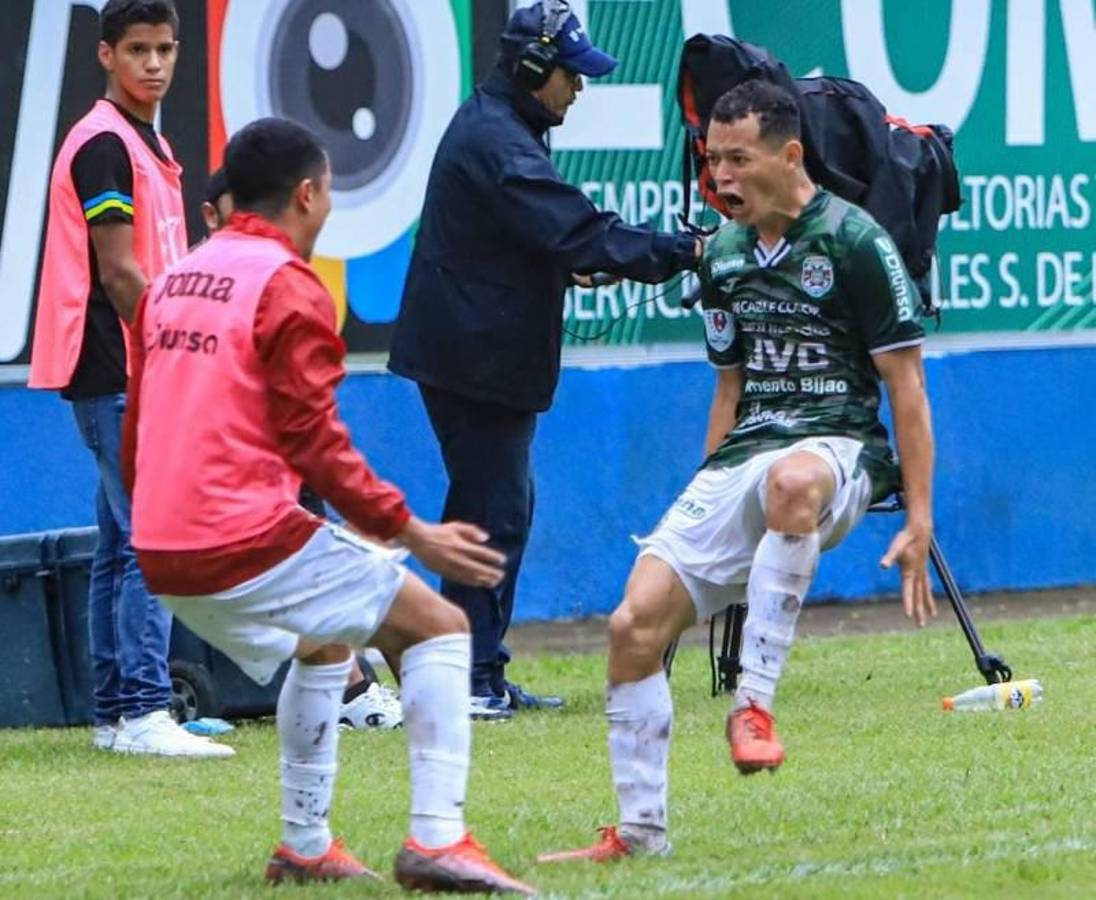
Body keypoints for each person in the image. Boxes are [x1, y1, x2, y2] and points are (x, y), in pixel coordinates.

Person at [121, 116, 535, 894]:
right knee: (443, 628)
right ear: (308, 194)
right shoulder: (287, 285)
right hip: (238, 540)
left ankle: (305, 846)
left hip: (160, 547)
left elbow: (139, 429)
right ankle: (439, 840)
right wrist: (411, 531)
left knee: (324, 643)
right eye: (329, 196)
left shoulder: (172, 279)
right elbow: (318, 443)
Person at [538, 80, 937, 863]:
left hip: (838, 449)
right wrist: (709, 496)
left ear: (789, 156)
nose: (720, 177)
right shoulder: (722, 255)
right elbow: (729, 387)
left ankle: (753, 707)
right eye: (712, 159)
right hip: (748, 453)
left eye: (738, 159)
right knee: (632, 628)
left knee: (791, 482)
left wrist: (919, 518)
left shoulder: (856, 242)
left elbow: (907, 387)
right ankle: (641, 833)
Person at [388, 0, 701, 720]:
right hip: (473, 361)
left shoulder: (505, 130)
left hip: (477, 355)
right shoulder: (499, 142)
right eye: (571, 75)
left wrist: (563, 266)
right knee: (487, 515)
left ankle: (479, 669)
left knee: (500, 509)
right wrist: (679, 251)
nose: (580, 88)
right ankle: (461, 677)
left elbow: (528, 238)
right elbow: (576, 227)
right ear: (534, 70)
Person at [27, 0, 231, 758]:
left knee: (120, 542)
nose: (154, 63)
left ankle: (119, 714)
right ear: (105, 56)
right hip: (121, 365)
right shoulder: (105, 146)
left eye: (165, 49)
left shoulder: (144, 140)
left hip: (128, 367)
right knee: (156, 535)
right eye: (137, 49)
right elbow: (119, 273)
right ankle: (145, 709)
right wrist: (178, 354)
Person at [201, 166, 402, 731]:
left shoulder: (275, 278)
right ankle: (358, 694)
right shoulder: (214, 282)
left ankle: (361, 692)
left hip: (273, 471)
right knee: (366, 590)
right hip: (236, 488)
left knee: (348, 573)